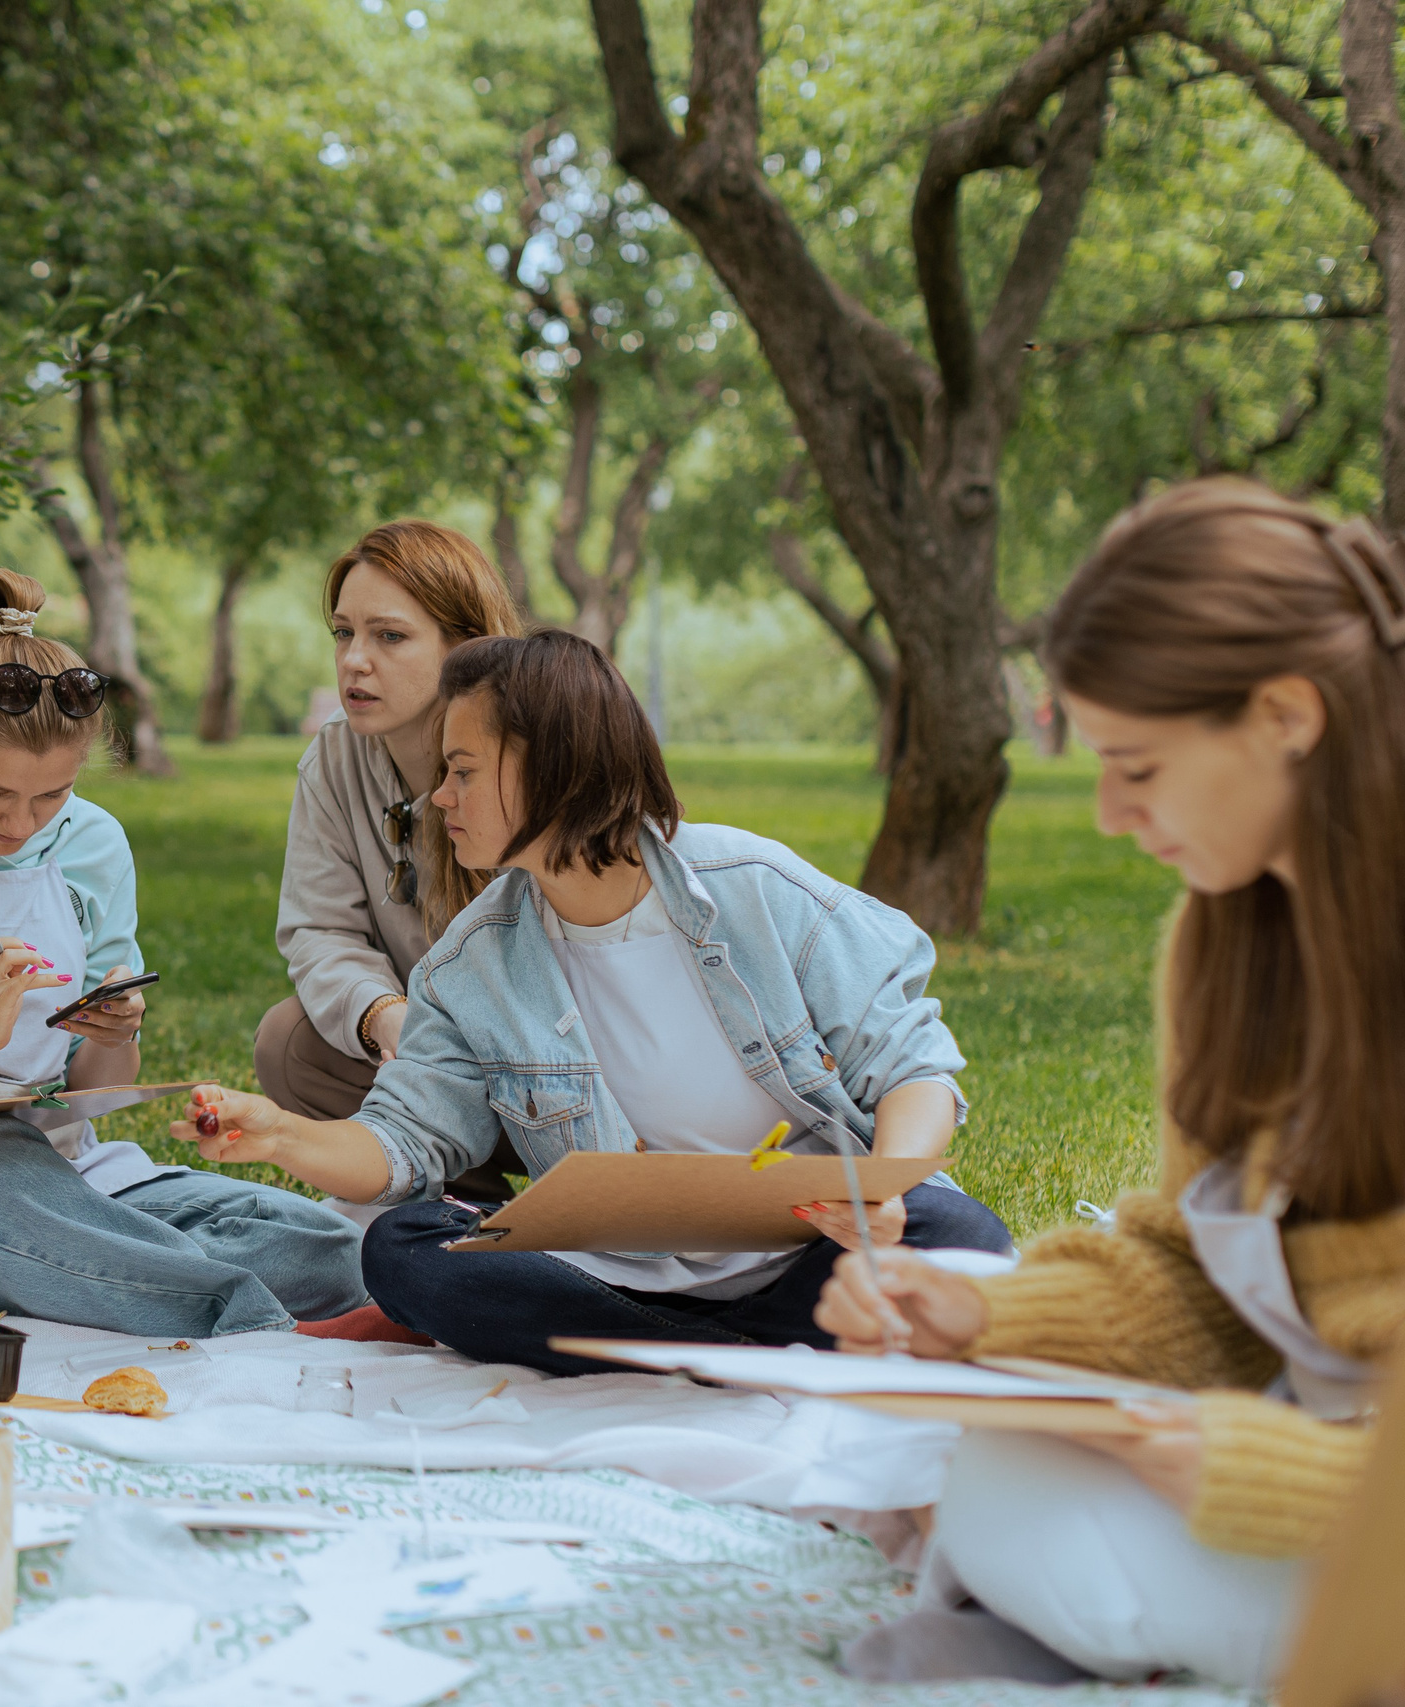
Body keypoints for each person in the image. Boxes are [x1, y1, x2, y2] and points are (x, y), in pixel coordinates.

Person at [818, 480, 1405, 1691]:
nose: (1107, 813)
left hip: (1363, 1518)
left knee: (1004, 1493)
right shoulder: (1226, 940)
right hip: (1296, 1430)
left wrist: (1270, 1477)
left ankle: (1074, 1611)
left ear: (1285, 714)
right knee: (969, 1344)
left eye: (1135, 764)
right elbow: (1199, 1267)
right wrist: (986, 1320)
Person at [171, 627, 1011, 1373]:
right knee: (404, 1249)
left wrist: (878, 1187)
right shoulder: (473, 963)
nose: (439, 797)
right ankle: (750, 1357)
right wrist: (280, 1134)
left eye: (462, 771)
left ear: (549, 765)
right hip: (609, 1271)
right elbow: (406, 1140)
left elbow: (915, 1066)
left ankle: (668, 1354)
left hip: (805, 1257)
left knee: (962, 1235)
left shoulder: (753, 888)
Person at [0, 569, 367, 1335]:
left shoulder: (92, 845)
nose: (21, 822)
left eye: (51, 796)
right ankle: (242, 1321)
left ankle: (168, 1278)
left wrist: (113, 1035)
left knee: (325, 1244)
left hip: (59, 1170)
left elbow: (96, 1093)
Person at [256, 521, 525, 1164]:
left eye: (390, 636)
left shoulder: (529, 757)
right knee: (288, 1043)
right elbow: (322, 931)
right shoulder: (334, 758)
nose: (354, 660)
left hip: (560, 1063)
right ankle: (453, 1204)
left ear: (464, 646)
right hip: (427, 1053)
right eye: (344, 632)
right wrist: (383, 1016)